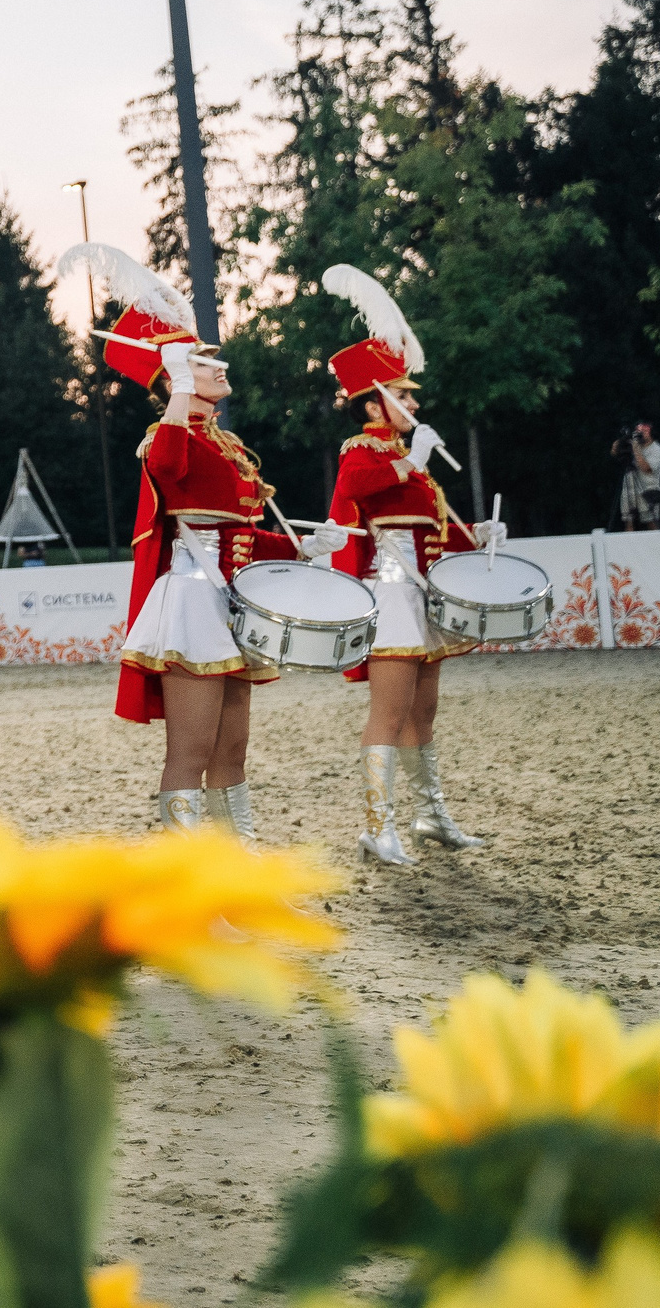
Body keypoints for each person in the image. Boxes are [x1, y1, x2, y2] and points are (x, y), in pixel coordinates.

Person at [60, 244, 322, 837]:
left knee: (233, 751)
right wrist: (178, 385)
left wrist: (302, 549)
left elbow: (239, 538)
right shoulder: (166, 436)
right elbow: (168, 467)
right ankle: (188, 871)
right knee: (191, 751)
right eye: (203, 361)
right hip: (190, 604)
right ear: (176, 375)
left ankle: (237, 862)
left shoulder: (225, 444)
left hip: (231, 602)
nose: (219, 365)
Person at [321, 270, 499, 864]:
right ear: (375, 403)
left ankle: (430, 815)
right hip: (390, 597)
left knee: (423, 713)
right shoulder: (362, 449)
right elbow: (356, 488)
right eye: (404, 394)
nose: (416, 403)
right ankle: (378, 827)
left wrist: (477, 535)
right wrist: (410, 464)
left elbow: (430, 525)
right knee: (389, 715)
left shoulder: (405, 456)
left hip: (420, 597)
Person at [616, 419, 660, 531]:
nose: (641, 434)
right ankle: (629, 541)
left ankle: (657, 541)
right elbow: (615, 451)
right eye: (638, 431)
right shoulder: (634, 445)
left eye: (644, 431)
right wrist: (623, 440)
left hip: (648, 489)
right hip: (630, 488)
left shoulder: (656, 449)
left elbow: (646, 468)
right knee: (628, 521)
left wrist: (636, 449)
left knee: (651, 521)